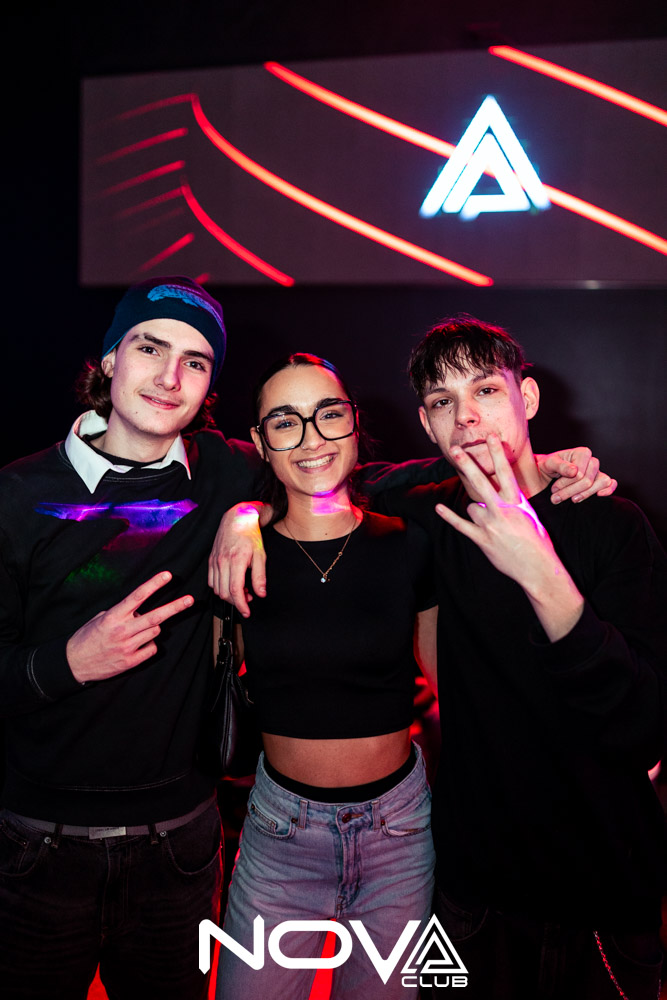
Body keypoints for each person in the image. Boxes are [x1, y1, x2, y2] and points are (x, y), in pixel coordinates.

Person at [374, 317, 666, 999]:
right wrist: (241, 517)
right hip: (474, 892)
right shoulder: (427, 519)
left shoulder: (610, 523)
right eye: (443, 402)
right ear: (426, 424)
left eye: (485, 390)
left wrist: (542, 573)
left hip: (604, 894)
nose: (466, 417)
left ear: (526, 398)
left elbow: (644, 728)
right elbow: (316, 475)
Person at [0, 276, 263, 1000]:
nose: (170, 377)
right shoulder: (16, 495)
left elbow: (337, 478)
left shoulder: (225, 473)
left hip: (178, 849)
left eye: (195, 361)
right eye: (151, 348)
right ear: (111, 359)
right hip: (39, 847)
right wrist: (67, 663)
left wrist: (248, 514)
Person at [215, 353, 439, 999]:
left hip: (399, 833)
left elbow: (452, 683)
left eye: (328, 414)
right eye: (285, 422)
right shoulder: (237, 555)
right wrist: (241, 515)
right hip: (280, 834)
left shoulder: (408, 542)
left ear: (354, 422)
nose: (311, 438)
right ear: (260, 441)